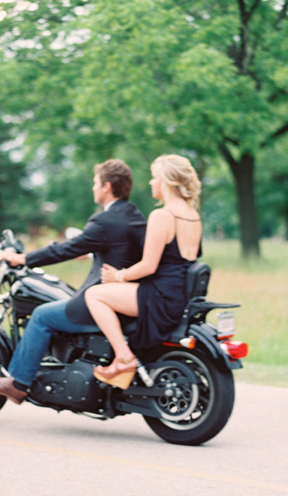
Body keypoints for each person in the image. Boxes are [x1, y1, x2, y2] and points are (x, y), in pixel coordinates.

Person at [0, 159, 147, 404]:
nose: (93, 188)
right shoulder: (134, 215)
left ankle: (18, 383)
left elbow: (63, 250)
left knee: (41, 316)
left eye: (95, 183)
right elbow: (120, 248)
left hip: (102, 302)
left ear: (107, 187)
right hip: (128, 300)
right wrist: (91, 252)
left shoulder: (104, 220)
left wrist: (21, 258)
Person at [85, 154, 202, 389]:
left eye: (154, 177)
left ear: (167, 181)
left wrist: (117, 276)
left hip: (161, 296)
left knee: (94, 295)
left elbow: (149, 266)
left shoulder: (163, 215)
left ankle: (123, 358)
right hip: (179, 295)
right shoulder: (193, 215)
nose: (151, 182)